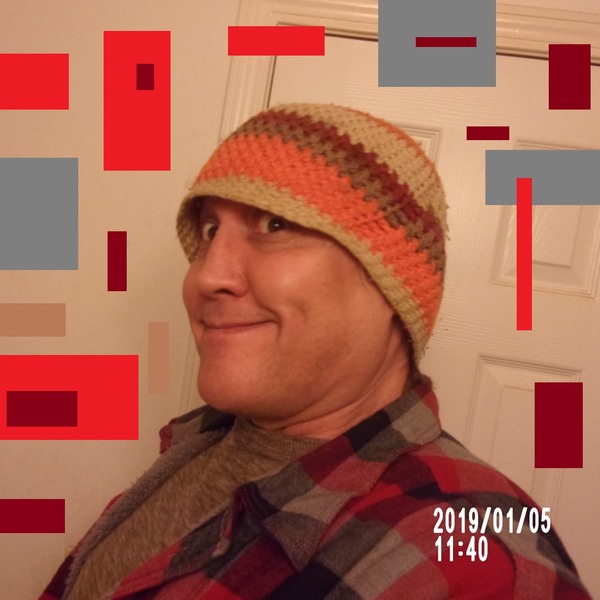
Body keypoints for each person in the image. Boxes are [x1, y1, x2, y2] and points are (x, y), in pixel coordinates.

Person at [40, 103, 591, 599]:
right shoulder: (200, 447)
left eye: (275, 223)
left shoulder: (476, 560)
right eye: (209, 230)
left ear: (393, 287)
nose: (206, 276)